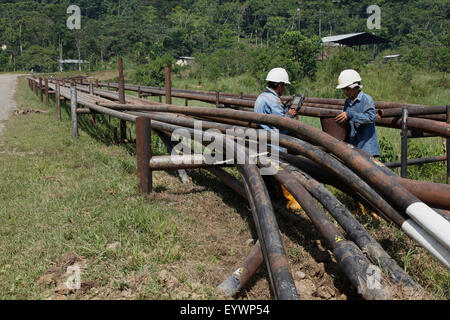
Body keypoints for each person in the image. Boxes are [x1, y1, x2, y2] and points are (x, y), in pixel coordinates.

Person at [254, 67, 301, 211]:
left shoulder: (261, 97)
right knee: (282, 173)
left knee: (268, 173)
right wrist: (291, 114)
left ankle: (272, 200)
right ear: (279, 85)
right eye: (284, 86)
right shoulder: (273, 100)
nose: (284, 90)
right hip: (274, 143)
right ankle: (293, 203)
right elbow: (282, 124)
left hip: (262, 141)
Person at [335, 69, 380, 157]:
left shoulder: (366, 99)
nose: (345, 92)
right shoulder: (348, 102)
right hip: (353, 147)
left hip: (367, 149)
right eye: (343, 89)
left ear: (355, 87)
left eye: (347, 89)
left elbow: (370, 118)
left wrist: (350, 115)